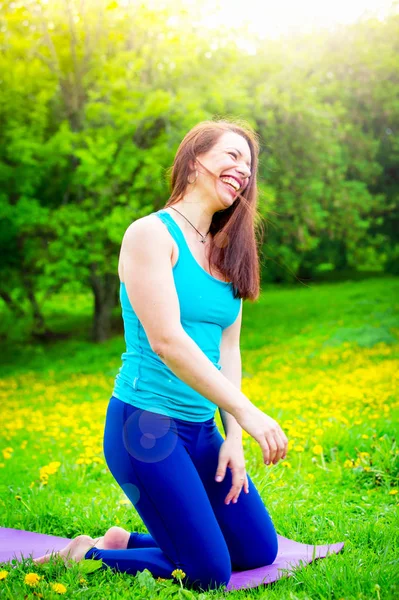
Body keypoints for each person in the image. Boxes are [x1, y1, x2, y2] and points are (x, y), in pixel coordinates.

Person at [34, 119, 288, 592]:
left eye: (249, 165)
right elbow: (166, 341)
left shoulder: (226, 251)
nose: (243, 170)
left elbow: (228, 347)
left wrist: (233, 436)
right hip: (146, 430)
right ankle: (81, 554)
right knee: (207, 572)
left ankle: (123, 540)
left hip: (200, 431)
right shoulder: (150, 234)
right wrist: (250, 414)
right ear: (194, 160)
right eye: (231, 156)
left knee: (257, 551)